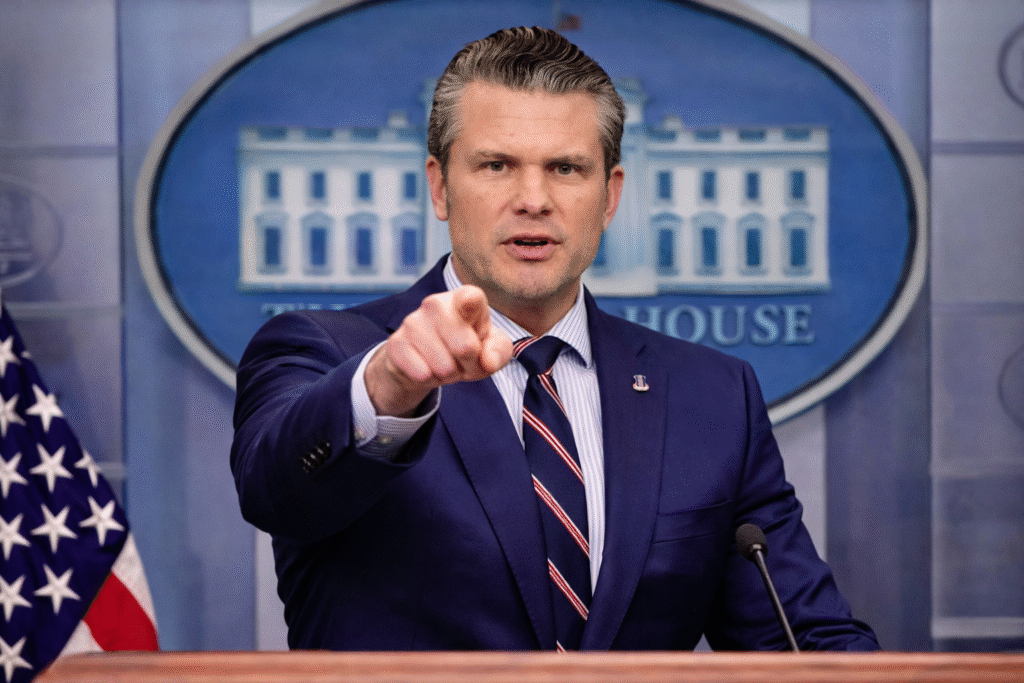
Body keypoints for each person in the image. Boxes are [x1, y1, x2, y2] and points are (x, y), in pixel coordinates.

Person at [231, 26, 879, 652]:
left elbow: (802, 640)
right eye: (496, 165)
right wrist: (389, 384)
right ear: (439, 186)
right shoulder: (325, 350)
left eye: (566, 168)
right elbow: (273, 489)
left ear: (610, 194)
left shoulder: (713, 396)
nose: (534, 198)